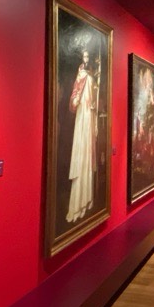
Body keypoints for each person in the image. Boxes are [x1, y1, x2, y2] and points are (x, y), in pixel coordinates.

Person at [66, 49, 99, 223]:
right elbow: (74, 97)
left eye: (88, 56)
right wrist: (76, 100)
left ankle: (88, 201)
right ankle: (77, 204)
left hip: (89, 119)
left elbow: (96, 102)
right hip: (82, 120)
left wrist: (94, 104)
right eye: (84, 56)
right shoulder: (80, 76)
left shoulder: (92, 78)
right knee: (81, 157)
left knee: (87, 158)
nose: (86, 59)